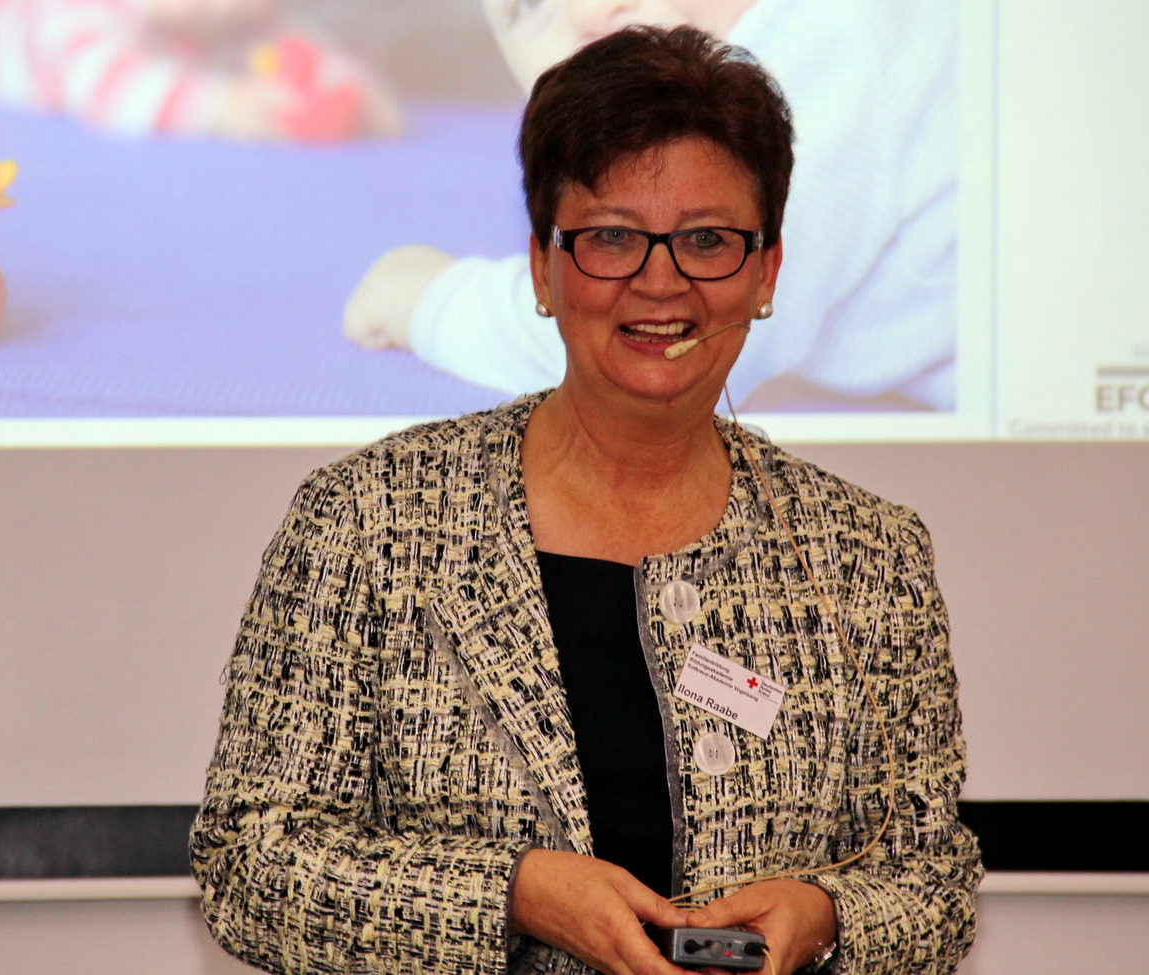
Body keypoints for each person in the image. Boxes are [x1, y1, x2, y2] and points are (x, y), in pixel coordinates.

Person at [192, 25, 980, 975]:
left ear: (766, 272)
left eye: (707, 240)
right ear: (542, 265)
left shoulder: (866, 557)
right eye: (612, 237)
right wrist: (514, 894)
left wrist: (826, 915)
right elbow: (249, 858)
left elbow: (933, 879)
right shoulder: (368, 522)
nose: (661, 281)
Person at [343, 0, 956, 410]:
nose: (587, 11)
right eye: (529, 3)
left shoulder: (829, 45)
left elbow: (663, 349)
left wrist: (435, 302)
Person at [0, 0, 403, 141]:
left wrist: (352, 91)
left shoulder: (238, 21)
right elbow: (107, 86)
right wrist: (220, 105)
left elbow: (302, 48)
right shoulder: (78, 17)